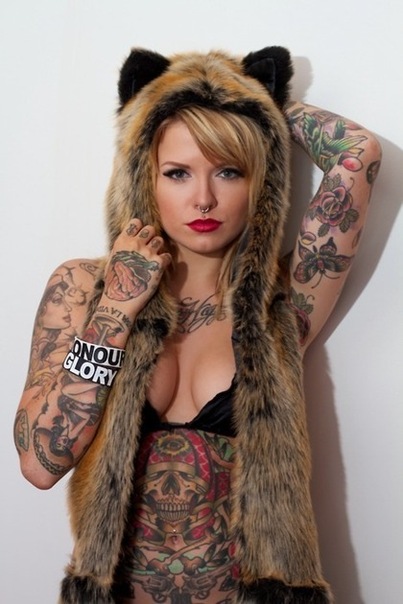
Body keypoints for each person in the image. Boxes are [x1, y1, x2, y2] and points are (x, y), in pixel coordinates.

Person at [14, 46, 381, 604]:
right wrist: (117, 309)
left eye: (229, 171)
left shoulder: (285, 299)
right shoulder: (82, 288)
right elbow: (41, 464)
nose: (204, 198)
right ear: (144, 176)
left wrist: (253, 105)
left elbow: (356, 155)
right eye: (178, 173)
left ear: (259, 182)